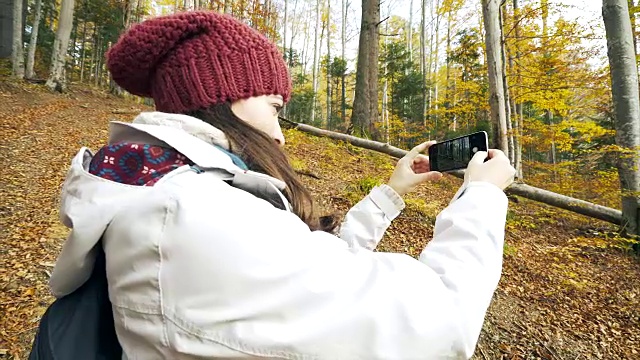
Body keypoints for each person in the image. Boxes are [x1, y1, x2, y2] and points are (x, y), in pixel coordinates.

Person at [48, 10, 515, 359]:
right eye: (274, 106)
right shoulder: (193, 215)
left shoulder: (162, 187)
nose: (279, 133)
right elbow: (436, 321)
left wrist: (389, 194)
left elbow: (307, 266)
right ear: (221, 96)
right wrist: (483, 196)